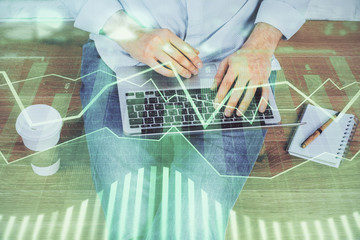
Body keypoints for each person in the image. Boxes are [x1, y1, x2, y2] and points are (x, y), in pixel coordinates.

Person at [65, 0, 309, 239]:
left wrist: (261, 44)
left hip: (236, 61)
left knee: (194, 225)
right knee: (128, 220)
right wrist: (131, 34)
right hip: (125, 54)